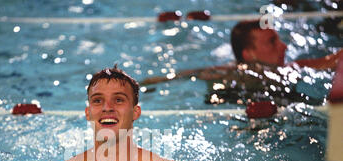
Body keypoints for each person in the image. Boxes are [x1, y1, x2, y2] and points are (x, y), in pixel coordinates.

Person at [38, 66, 200, 161]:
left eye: (118, 100)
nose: (107, 107)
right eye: (97, 100)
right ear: (88, 113)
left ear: (135, 112)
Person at [141, 19, 342, 86]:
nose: (284, 47)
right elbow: (175, 78)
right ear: (248, 54)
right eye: (272, 42)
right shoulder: (227, 73)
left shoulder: (292, 68)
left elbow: (333, 60)